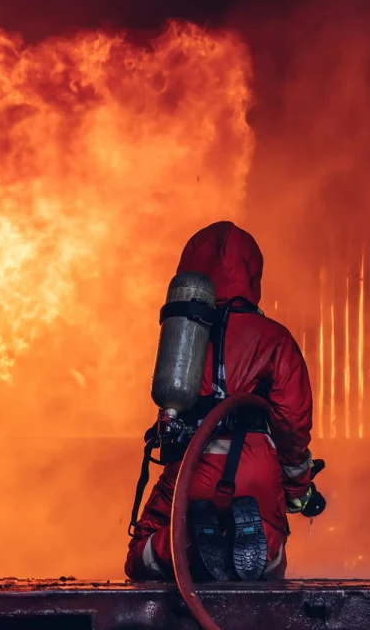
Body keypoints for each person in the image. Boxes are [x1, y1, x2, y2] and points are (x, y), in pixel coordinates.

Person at [125, 221, 316, 581]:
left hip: (191, 465)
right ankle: (258, 542)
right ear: (252, 273)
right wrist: (297, 489)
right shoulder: (275, 338)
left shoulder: (182, 333)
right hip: (256, 467)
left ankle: (192, 548)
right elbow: (292, 423)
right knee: (269, 563)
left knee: (140, 555)